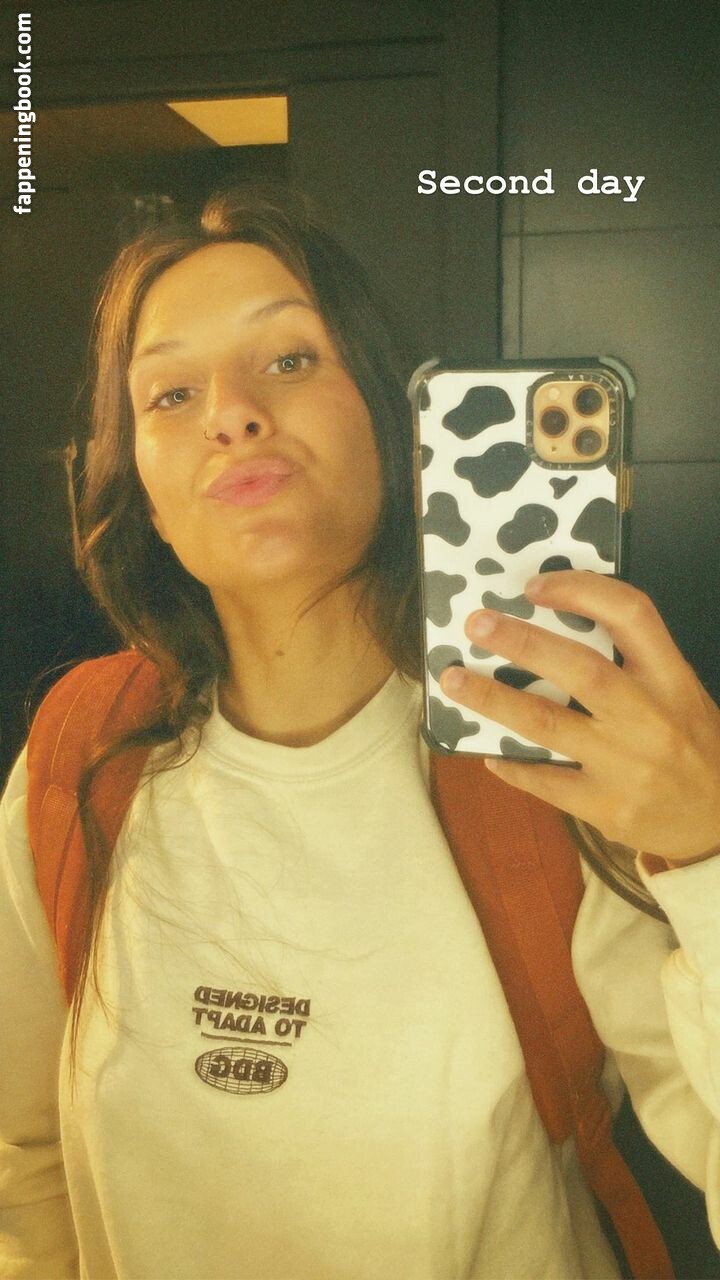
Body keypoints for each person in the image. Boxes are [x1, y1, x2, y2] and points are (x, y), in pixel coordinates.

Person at [1, 180, 719, 1280]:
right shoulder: (82, 747)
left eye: (291, 359)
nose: (230, 413)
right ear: (143, 489)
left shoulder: (541, 753)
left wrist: (709, 848)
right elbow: (25, 1164)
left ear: (397, 423)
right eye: (171, 393)